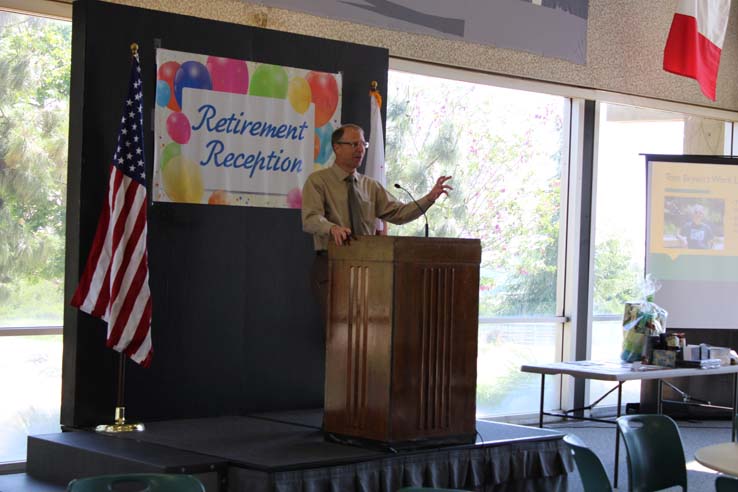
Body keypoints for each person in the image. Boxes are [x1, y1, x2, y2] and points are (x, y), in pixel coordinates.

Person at [301, 123, 452, 314]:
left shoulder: (371, 186)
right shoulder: (318, 181)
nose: (360, 149)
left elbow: (399, 213)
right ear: (337, 147)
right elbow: (310, 218)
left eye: (364, 145)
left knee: (368, 329)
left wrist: (429, 198)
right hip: (333, 263)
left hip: (367, 266)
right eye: (354, 144)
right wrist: (332, 228)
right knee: (337, 330)